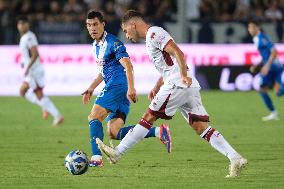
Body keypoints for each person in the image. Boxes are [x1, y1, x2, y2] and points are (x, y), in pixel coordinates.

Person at [96, 10, 247, 178]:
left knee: (148, 117)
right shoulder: (150, 38)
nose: (126, 34)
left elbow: (178, 52)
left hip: (178, 84)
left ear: (133, 24)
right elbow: (169, 65)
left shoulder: (154, 33)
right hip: (184, 84)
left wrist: (182, 75)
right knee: (200, 126)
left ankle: (118, 152)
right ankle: (235, 157)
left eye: (125, 30)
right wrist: (157, 85)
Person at [82, 10, 172, 167]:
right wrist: (90, 88)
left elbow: (128, 64)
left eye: (95, 24)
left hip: (118, 86)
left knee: (94, 117)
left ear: (103, 25)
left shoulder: (113, 42)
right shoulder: (95, 46)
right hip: (118, 89)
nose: (92, 28)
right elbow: (103, 72)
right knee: (113, 132)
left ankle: (96, 158)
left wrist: (131, 88)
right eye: (89, 25)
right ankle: (158, 132)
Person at [17, 16, 64, 126]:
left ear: (27, 25)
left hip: (34, 71)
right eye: (19, 24)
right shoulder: (24, 38)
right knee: (23, 92)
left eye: (23, 24)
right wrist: (24, 63)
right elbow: (27, 56)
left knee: (37, 94)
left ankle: (57, 115)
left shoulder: (29, 37)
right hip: (31, 71)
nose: (21, 26)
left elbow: (35, 54)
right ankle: (45, 107)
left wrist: (28, 67)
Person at [248, 21, 284, 121]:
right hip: (275, 66)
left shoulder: (262, 37)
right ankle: (274, 111)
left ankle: (274, 113)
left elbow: (274, 52)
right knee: (273, 88)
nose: (250, 30)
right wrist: (257, 65)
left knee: (262, 89)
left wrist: (266, 66)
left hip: (272, 67)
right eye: (249, 28)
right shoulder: (256, 39)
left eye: (252, 27)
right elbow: (266, 55)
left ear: (258, 27)